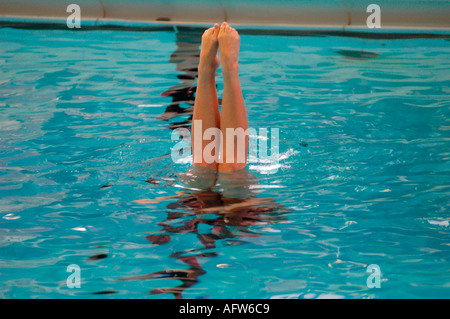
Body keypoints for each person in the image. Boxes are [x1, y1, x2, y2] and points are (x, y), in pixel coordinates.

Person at [192, 22, 249, 173]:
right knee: (232, 170)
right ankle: (230, 68)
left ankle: (205, 70)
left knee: (203, 167)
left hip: (192, 196)